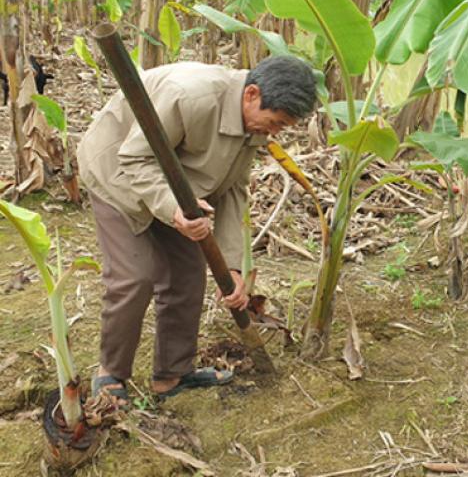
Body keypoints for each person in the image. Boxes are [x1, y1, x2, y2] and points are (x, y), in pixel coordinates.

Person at [78, 56, 316, 401]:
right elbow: (135, 158)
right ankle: (111, 373)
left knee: (187, 275)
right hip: (118, 174)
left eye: (283, 127)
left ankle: (172, 375)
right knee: (137, 274)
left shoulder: (255, 124)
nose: (274, 133)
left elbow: (234, 188)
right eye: (275, 122)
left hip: (181, 187)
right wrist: (172, 209)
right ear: (251, 94)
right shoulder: (190, 96)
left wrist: (232, 266)